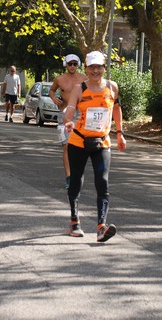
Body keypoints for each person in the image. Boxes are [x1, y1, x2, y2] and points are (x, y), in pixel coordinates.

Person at [62, 51, 127, 243]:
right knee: (76, 181)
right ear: (86, 69)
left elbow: (116, 109)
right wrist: (68, 121)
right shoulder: (79, 88)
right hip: (79, 140)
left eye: (99, 67)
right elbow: (70, 110)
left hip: (102, 141)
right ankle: (74, 221)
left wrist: (120, 134)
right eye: (92, 67)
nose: (96, 71)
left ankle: (101, 226)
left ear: (104, 67)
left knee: (102, 182)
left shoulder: (112, 87)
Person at [49, 54, 87, 190]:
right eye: (70, 64)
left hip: (80, 114)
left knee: (80, 147)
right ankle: (69, 177)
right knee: (66, 147)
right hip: (63, 114)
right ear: (66, 65)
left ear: (78, 65)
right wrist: (54, 98)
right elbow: (51, 91)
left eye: (74, 64)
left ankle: (77, 174)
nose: (72, 66)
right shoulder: (59, 79)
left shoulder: (84, 79)